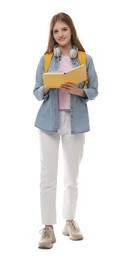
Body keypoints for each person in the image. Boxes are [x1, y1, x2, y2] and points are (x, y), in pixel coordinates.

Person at [33, 12, 98, 249]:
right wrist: (48, 87)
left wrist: (78, 91)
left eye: (64, 29)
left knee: (72, 177)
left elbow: (94, 90)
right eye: (55, 31)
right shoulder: (47, 59)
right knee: (47, 177)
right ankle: (47, 227)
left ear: (71, 30)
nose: (60, 34)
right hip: (48, 123)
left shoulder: (84, 58)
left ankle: (69, 221)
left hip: (75, 122)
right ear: (52, 35)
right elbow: (36, 91)